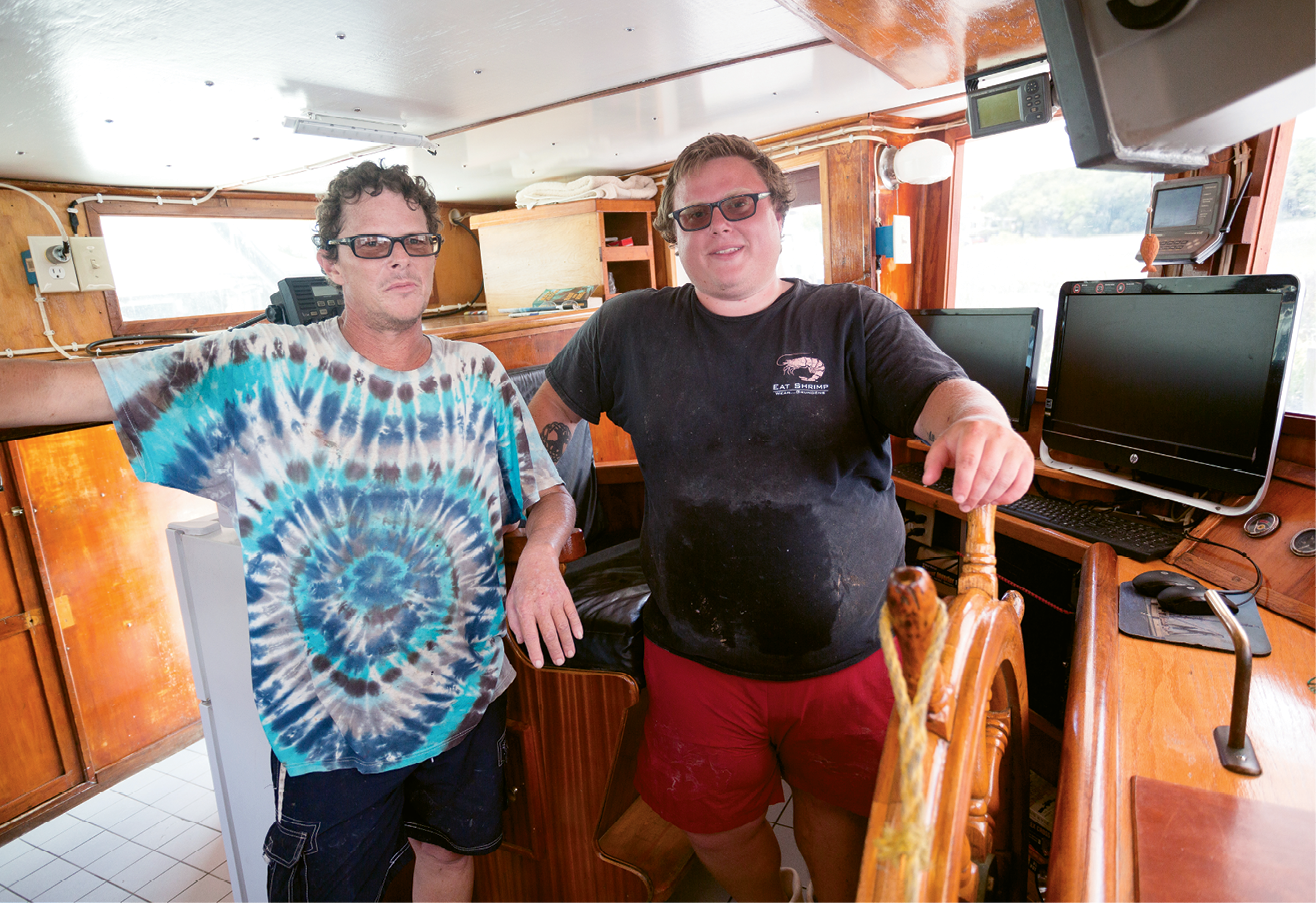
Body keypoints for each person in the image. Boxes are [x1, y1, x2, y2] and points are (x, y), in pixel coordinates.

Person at [0, 161, 582, 903]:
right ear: (328, 260)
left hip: (466, 696)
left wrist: (538, 555)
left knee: (450, 860)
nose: (400, 258)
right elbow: (70, 386)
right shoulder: (266, 367)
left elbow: (550, 493)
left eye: (416, 240)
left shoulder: (476, 372)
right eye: (370, 243)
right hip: (334, 733)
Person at [528, 134, 1033, 903]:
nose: (720, 225)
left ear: (777, 215)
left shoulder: (853, 318)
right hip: (695, 652)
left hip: (854, 648)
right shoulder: (625, 328)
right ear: (675, 236)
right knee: (712, 825)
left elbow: (950, 398)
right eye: (695, 215)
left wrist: (983, 425)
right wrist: (536, 531)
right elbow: (542, 425)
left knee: (840, 811)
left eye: (739, 204)